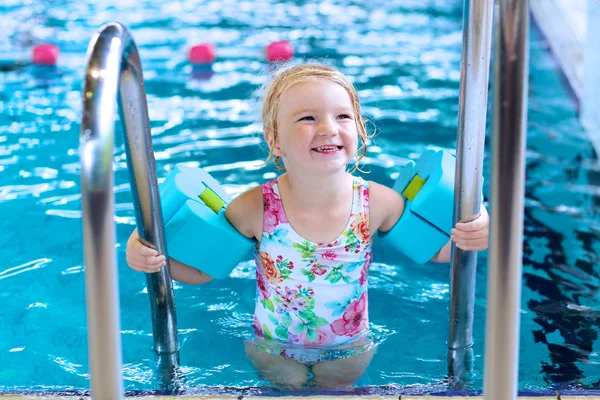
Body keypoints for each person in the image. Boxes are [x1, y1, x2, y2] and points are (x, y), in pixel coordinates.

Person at [126, 63, 490, 390]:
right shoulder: (255, 207)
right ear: (275, 141)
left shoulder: (377, 202)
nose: (328, 129)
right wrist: (151, 255)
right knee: (289, 390)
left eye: (343, 117)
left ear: (360, 131)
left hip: (349, 345)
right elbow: (205, 271)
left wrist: (478, 227)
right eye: (307, 119)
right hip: (273, 346)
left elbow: (436, 252)